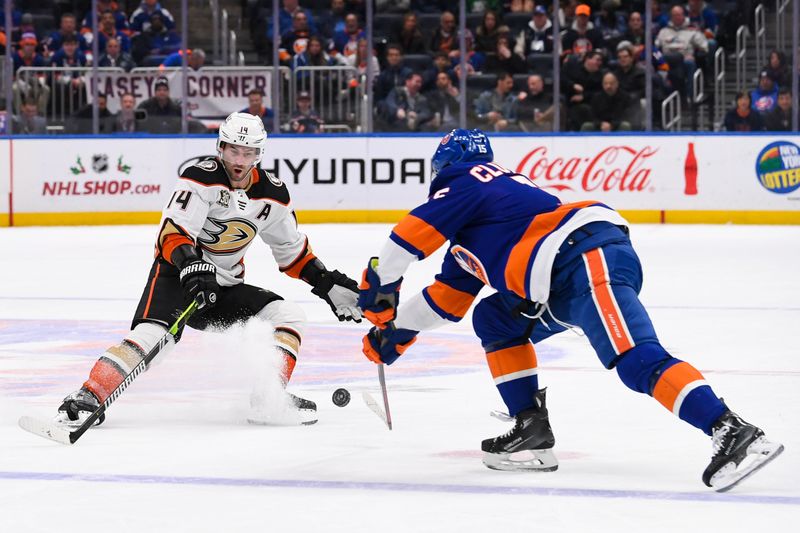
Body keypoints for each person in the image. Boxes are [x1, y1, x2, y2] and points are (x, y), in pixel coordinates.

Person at [356, 128, 784, 491]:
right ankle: (532, 430)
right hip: (559, 281)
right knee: (496, 319)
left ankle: (729, 428)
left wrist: (381, 290)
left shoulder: (466, 181)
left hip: (584, 262)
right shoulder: (483, 218)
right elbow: (446, 301)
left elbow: (404, 240)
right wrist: (394, 333)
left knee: (636, 360)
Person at [55, 112, 361, 429]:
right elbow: (172, 233)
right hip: (177, 277)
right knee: (155, 338)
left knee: (289, 315)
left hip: (223, 289)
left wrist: (325, 283)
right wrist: (190, 264)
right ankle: (90, 394)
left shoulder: (273, 195)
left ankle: (269, 399)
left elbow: (291, 252)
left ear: (259, 154)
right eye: (232, 150)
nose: (239, 160)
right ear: (220, 147)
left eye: (247, 152)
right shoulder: (200, 178)